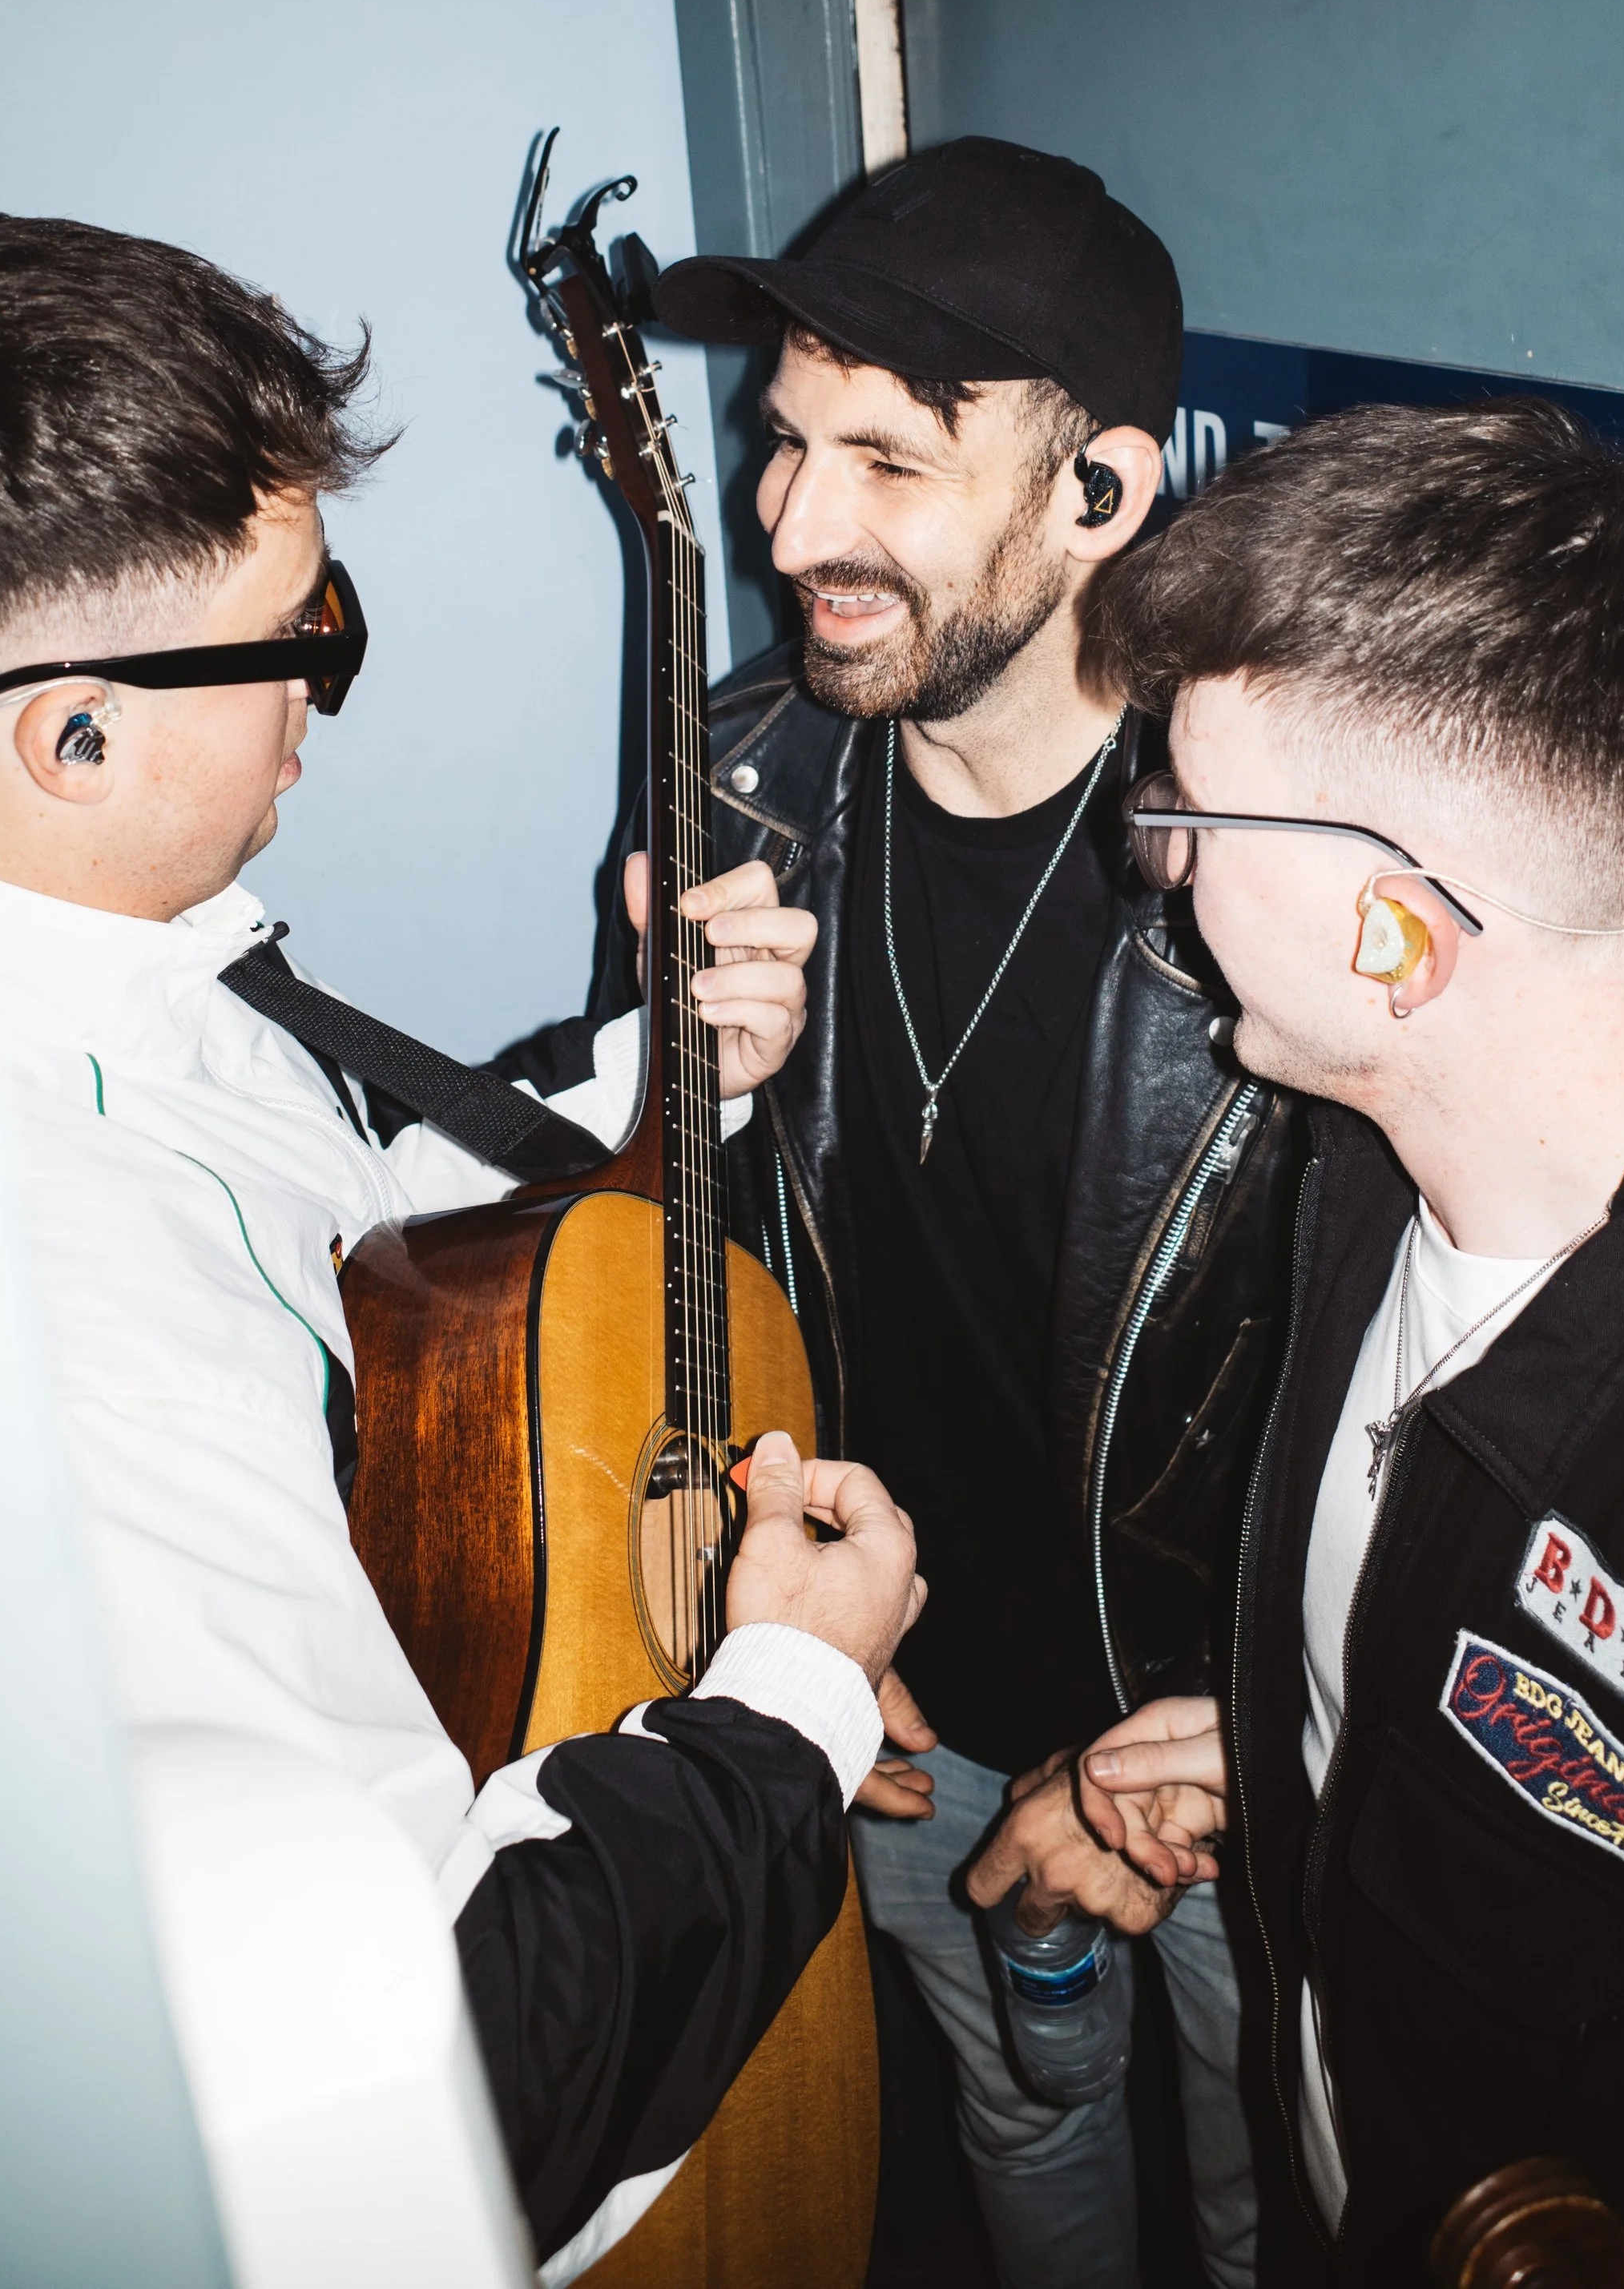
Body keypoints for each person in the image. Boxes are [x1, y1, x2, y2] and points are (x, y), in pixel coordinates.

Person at [0, 208, 925, 2283]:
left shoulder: (89, 974)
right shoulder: (45, 1351)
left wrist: (649, 1076)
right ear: (73, 731)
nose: (317, 708)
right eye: (306, 640)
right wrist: (793, 1686)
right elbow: (446, 2116)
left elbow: (334, 1216)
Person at [970, 397, 1624, 2283]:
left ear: (1395, 936)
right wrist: (1325, 1745)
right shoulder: (1357, 1157)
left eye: (1187, 818)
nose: (1165, 870)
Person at [589, 137, 1308, 2289]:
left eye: (886, 462)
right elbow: (685, 1282)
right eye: (783, 443)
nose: (789, 525)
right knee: (1011, 2116)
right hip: (892, 1696)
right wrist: (673, 1092)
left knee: (1280, 2176)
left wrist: (1259, 1743)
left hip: (1205, 1754)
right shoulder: (731, 791)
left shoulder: (1278, 855)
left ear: (1098, 493)